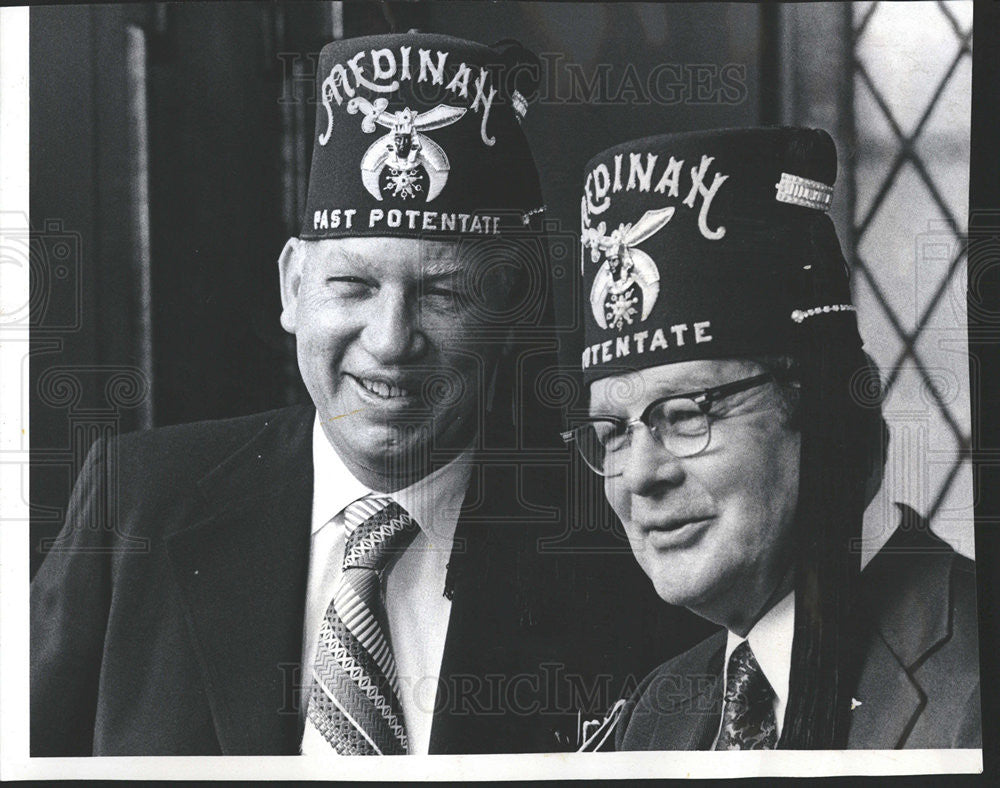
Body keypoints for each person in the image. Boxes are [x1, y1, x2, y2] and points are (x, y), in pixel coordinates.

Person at [30, 32, 711, 757]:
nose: (390, 340)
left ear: (512, 306)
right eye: (352, 285)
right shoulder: (134, 505)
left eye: (443, 292)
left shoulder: (618, 552)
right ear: (295, 286)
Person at [563, 127, 981, 750]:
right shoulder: (658, 715)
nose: (642, 476)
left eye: (684, 413)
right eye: (612, 433)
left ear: (821, 412)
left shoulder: (977, 678)